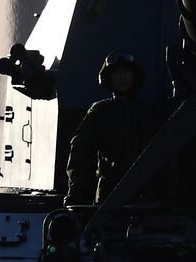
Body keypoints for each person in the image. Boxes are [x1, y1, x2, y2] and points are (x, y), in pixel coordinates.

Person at [65, 51, 174, 205]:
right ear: (108, 78)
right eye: (116, 73)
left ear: (134, 76)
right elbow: (79, 152)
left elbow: (164, 153)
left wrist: (169, 193)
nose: (122, 77)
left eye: (127, 72)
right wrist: (76, 190)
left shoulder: (150, 113)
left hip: (148, 194)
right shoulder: (99, 112)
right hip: (109, 194)